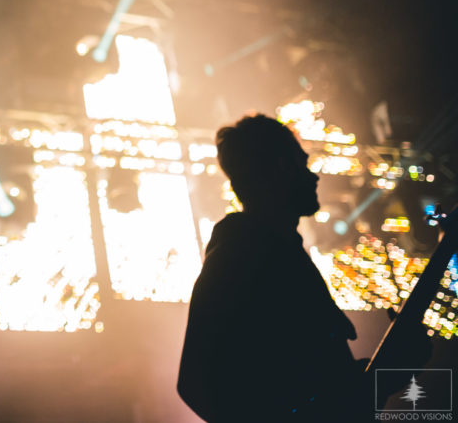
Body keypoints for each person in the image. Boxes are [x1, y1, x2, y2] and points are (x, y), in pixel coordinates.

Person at [176, 114, 425, 422]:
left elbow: (323, 388)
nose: (314, 177)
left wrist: (384, 373)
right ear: (280, 167)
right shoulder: (244, 252)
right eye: (302, 164)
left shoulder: (272, 252)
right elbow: (196, 384)